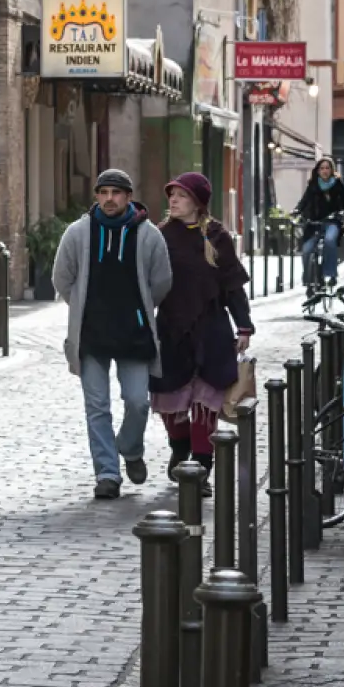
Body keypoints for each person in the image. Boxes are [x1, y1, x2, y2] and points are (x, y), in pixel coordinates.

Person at [53, 169, 174, 500]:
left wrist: (141, 309)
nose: (109, 198)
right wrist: (82, 307)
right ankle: (107, 473)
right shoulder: (78, 233)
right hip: (91, 334)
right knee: (97, 405)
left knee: (138, 402)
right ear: (96, 196)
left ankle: (130, 448)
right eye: (103, 192)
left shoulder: (148, 235)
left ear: (128, 197)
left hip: (134, 333)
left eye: (116, 193)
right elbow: (62, 278)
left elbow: (161, 282)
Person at [151, 172, 253, 486]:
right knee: (170, 401)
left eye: (181, 196)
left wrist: (244, 326)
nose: (174, 201)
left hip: (211, 329)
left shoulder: (216, 235)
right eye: (172, 196)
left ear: (197, 202)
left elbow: (232, 285)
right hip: (170, 329)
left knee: (204, 404)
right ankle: (179, 448)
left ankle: (202, 468)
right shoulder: (158, 235)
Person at [295, 158, 344, 285]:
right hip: (314, 223)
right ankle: (308, 277)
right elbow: (304, 201)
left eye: (327, 168)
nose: (325, 171)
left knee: (329, 240)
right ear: (318, 171)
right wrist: (297, 210)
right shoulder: (313, 184)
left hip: (332, 221)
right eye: (322, 168)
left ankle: (331, 273)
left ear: (332, 170)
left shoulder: (338, 184)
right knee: (306, 250)